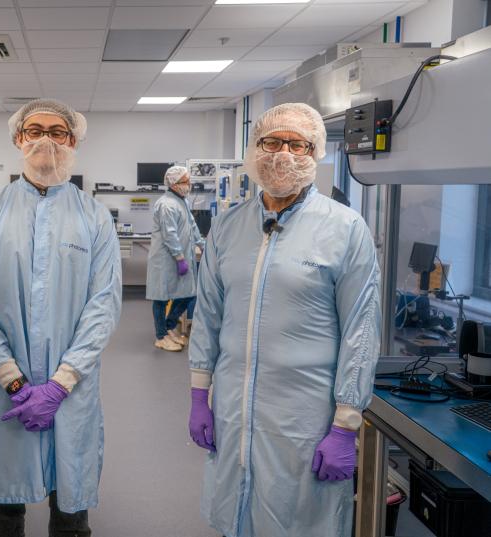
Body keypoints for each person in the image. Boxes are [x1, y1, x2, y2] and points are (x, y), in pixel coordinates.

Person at [187, 103, 381, 537]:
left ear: (316, 153)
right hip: (233, 407)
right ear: (255, 150)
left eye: (298, 145)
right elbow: (208, 315)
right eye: (272, 142)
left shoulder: (345, 229)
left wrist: (346, 423)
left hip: (304, 416)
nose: (283, 154)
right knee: (235, 516)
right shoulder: (228, 227)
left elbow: (362, 330)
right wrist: (200, 395)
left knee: (297, 522)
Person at [0, 98, 122, 537]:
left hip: (71, 386)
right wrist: (11, 379)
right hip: (5, 387)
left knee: (70, 509)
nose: (46, 140)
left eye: (57, 132)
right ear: (18, 139)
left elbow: (103, 304)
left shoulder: (94, 217)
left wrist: (61, 382)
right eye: (35, 131)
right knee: (4, 511)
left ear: (73, 141)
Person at [146, 165, 205, 351]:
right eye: (186, 181)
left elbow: (192, 226)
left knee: (188, 294)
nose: (189, 185)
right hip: (166, 258)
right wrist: (179, 258)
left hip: (180, 256)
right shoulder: (166, 205)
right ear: (174, 183)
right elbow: (169, 234)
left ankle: (169, 327)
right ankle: (161, 336)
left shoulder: (182, 201)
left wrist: (202, 244)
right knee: (161, 298)